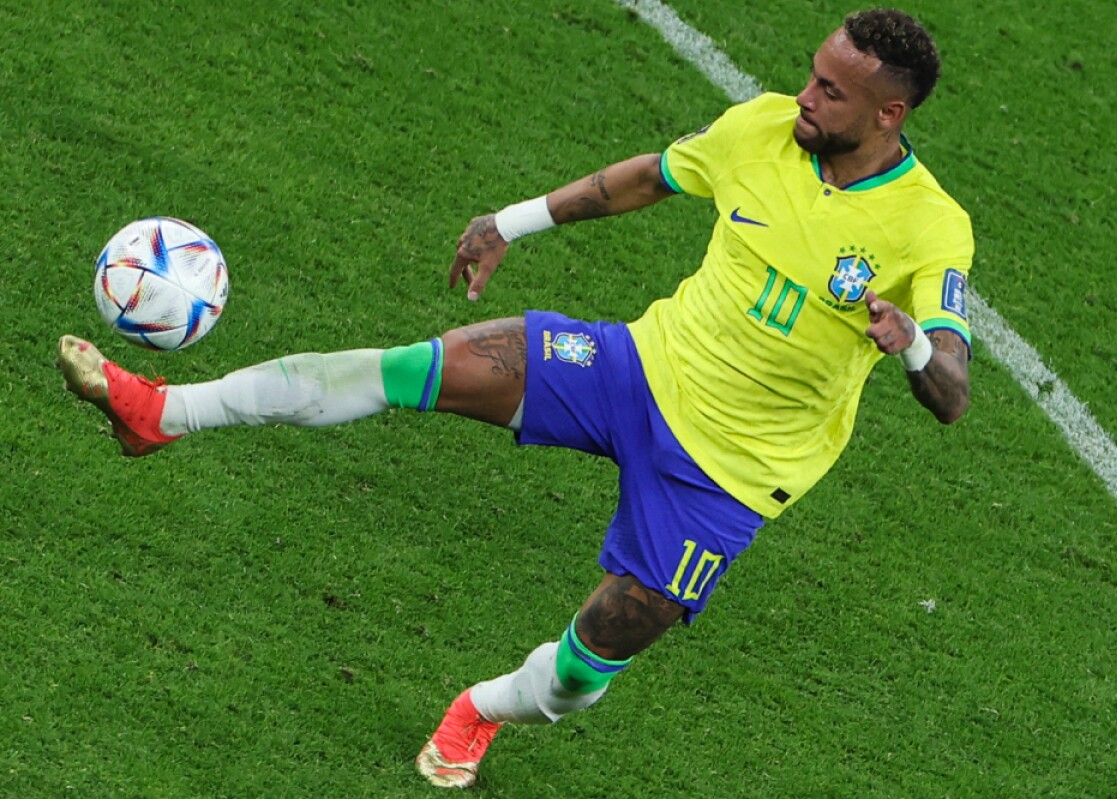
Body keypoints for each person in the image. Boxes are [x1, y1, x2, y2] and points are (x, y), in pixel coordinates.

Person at [56, 7, 972, 789]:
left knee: (592, 659)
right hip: (636, 367)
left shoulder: (930, 227)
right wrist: (510, 221)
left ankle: (480, 709)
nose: (806, 98)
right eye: (812, 77)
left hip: (729, 476)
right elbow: (652, 176)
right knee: (408, 366)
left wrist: (913, 343)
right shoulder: (764, 129)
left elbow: (953, 393)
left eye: (831, 93)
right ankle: (158, 413)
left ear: (889, 113)